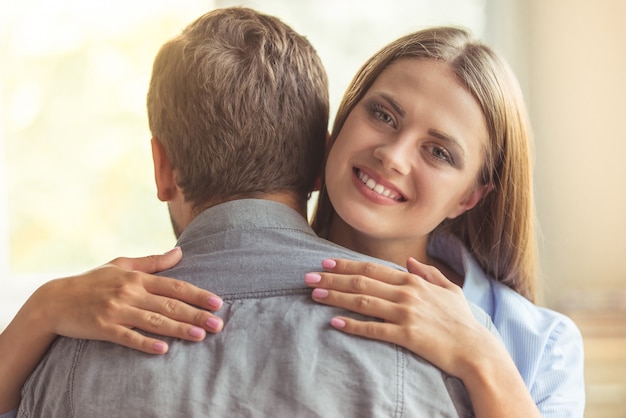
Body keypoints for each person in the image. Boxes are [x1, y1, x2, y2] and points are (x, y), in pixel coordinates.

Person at [4, 8, 498, 417]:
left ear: (163, 167)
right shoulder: (446, 341)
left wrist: (43, 312)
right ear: (316, 164)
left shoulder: (59, 352)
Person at [303, 27, 585, 417]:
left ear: (469, 197)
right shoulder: (226, 277)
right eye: (383, 114)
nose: (393, 156)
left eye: (438, 152)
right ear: (346, 115)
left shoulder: (543, 345)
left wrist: (480, 357)